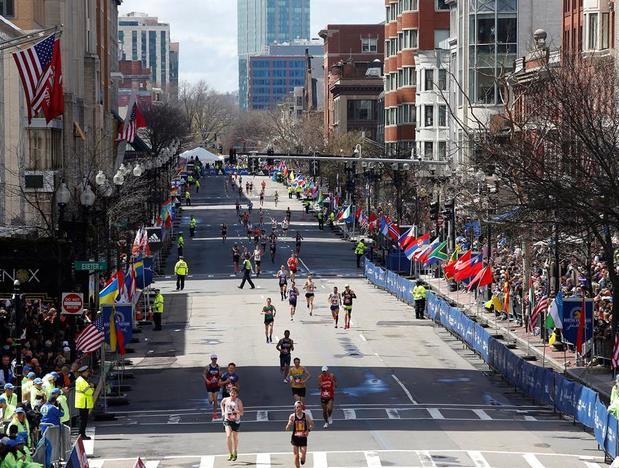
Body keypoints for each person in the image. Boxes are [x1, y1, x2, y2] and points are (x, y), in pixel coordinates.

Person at [286, 401, 314, 468]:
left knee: (303, 453)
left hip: (303, 437)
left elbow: (312, 424)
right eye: (297, 407)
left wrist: (308, 430)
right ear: (295, 408)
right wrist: (289, 424)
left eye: (300, 407)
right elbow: (287, 429)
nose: (299, 408)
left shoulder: (306, 416)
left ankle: (303, 458)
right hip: (295, 438)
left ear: (302, 408)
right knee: (296, 456)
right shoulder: (292, 416)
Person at [221, 386, 244, 462]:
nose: (232, 394)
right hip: (227, 420)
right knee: (228, 436)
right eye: (231, 393)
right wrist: (223, 412)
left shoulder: (238, 401)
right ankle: (230, 453)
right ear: (229, 393)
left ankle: (235, 451)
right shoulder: (225, 399)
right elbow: (221, 404)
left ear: (236, 394)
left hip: (236, 421)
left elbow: (242, 413)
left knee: (235, 437)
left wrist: (237, 411)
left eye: (234, 393)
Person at [74, 365, 94, 440]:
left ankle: (82, 434)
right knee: (83, 419)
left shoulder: (82, 379)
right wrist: (91, 387)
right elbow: (88, 391)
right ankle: (81, 434)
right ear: (83, 373)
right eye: (87, 372)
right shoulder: (81, 380)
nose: (88, 373)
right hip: (83, 402)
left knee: (84, 419)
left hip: (83, 401)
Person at [203, 355, 221, 419]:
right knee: (211, 400)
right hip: (209, 385)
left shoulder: (218, 367)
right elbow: (204, 375)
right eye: (213, 359)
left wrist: (218, 380)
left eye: (215, 358)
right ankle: (210, 399)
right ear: (211, 359)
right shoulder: (208, 367)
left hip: (216, 385)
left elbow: (220, 375)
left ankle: (215, 413)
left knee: (215, 400)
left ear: (216, 359)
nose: (214, 360)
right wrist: (207, 380)